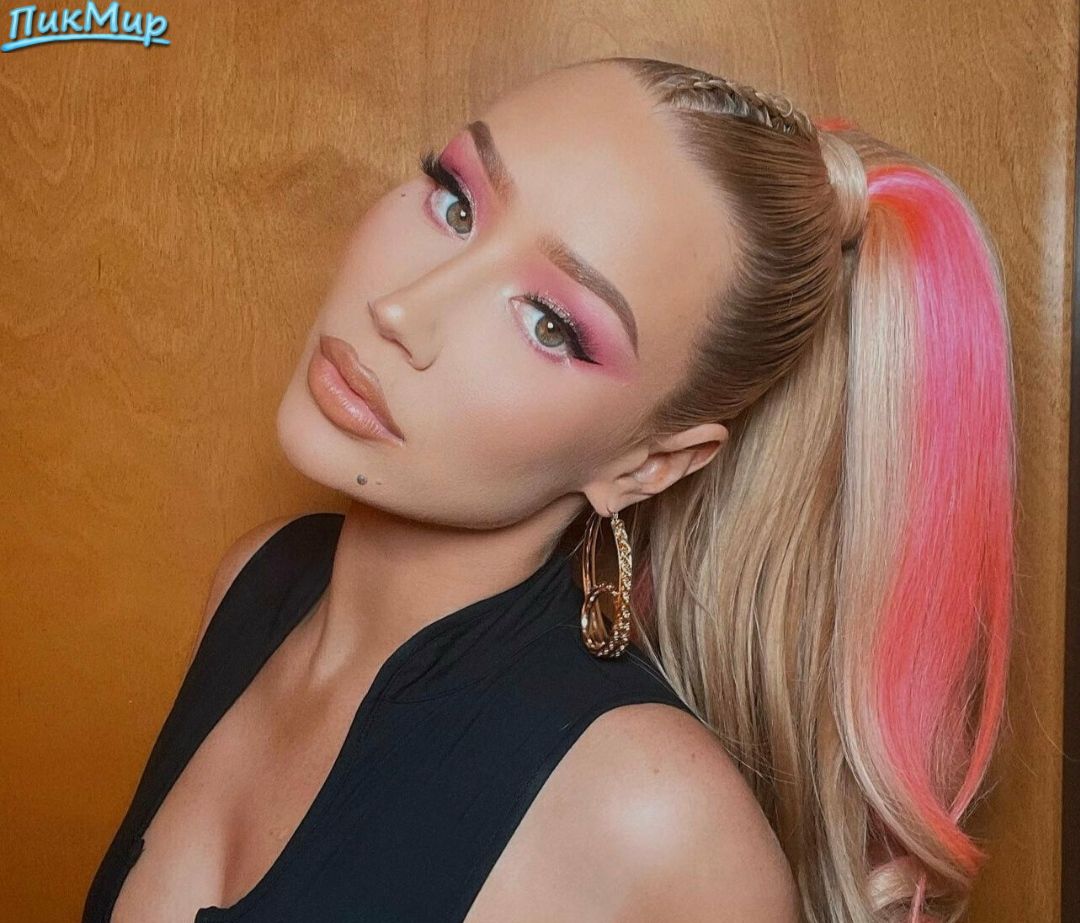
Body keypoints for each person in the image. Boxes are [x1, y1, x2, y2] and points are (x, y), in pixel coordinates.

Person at [83, 55, 1016, 923]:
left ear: (648, 464)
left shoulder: (656, 818)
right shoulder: (257, 581)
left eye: (550, 324)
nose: (403, 309)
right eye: (456, 201)